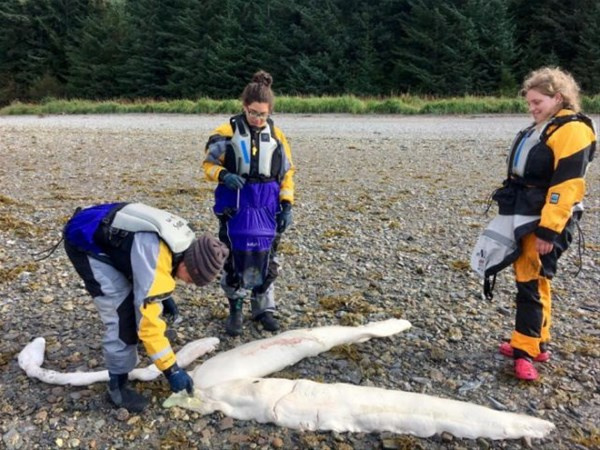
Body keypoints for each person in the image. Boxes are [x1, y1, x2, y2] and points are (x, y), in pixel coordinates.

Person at [475, 67, 596, 381]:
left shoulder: (573, 130)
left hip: (545, 218)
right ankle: (536, 342)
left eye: (537, 102)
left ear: (558, 97)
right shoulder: (548, 126)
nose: (532, 108)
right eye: (529, 103)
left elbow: (567, 185)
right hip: (526, 209)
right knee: (533, 277)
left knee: (530, 281)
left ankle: (525, 352)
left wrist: (548, 230)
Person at [62, 202, 229, 411]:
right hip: (86, 242)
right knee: (121, 316)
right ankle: (117, 387)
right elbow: (148, 324)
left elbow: (153, 268)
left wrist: (161, 296)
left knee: (140, 299)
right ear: (187, 263)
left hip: (108, 229)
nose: (188, 284)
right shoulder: (156, 254)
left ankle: (126, 366)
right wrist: (171, 369)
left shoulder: (185, 242)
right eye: (191, 279)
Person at [203, 70, 295, 336]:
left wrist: (286, 204)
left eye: (262, 114)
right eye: (253, 112)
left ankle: (263, 308)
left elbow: (287, 172)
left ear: (269, 113)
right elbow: (207, 166)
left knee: (268, 257)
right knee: (235, 258)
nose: (257, 119)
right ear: (244, 107)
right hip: (236, 204)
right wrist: (224, 175)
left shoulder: (277, 135)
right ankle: (235, 308)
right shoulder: (224, 133)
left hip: (268, 204)